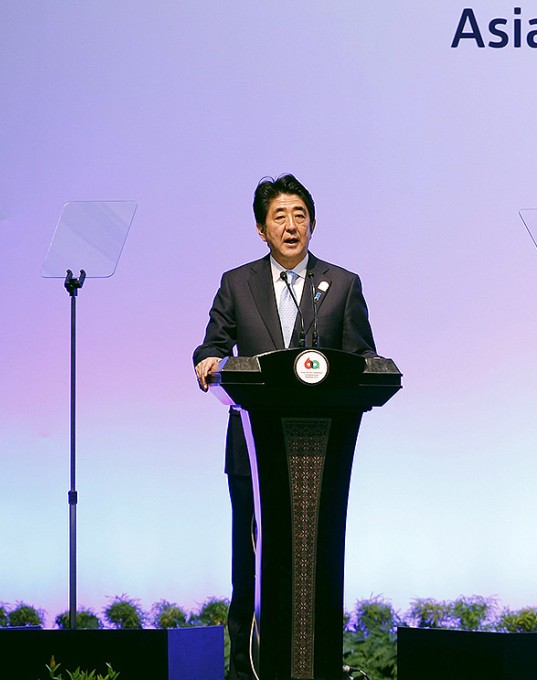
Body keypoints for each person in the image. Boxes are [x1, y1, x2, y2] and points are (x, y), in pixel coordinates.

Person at [193, 174, 376, 680]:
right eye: (280, 216)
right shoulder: (237, 283)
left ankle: (315, 664)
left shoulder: (342, 284)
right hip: (254, 449)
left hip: (322, 450)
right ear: (261, 229)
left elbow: (363, 357)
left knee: (314, 560)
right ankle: (246, 668)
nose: (291, 225)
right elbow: (212, 345)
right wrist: (208, 363)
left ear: (312, 223)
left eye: (299, 215)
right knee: (251, 558)